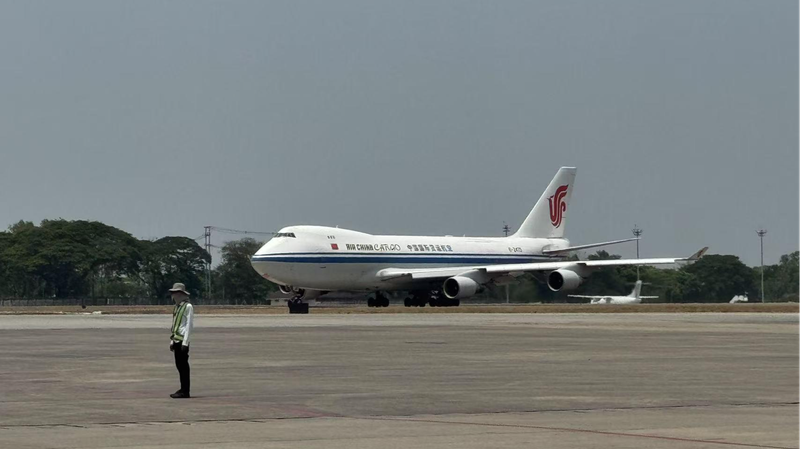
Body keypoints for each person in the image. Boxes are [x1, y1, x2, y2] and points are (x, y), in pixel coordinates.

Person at [168, 282, 194, 398]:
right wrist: (172, 341)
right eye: (173, 294)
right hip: (176, 340)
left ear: (181, 294)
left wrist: (185, 342)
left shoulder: (188, 307)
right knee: (179, 366)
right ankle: (182, 388)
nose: (173, 296)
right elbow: (175, 324)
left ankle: (185, 390)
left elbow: (189, 325)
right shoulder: (177, 307)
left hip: (183, 341)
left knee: (183, 367)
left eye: (175, 293)